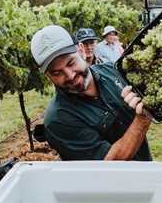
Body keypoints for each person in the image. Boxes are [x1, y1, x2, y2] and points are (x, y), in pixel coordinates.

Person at [30, 25, 152, 161]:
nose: (70, 76)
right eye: (57, 73)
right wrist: (142, 119)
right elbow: (109, 163)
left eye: (70, 63)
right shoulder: (59, 120)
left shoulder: (112, 71)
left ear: (81, 50)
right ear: (48, 76)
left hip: (146, 170)